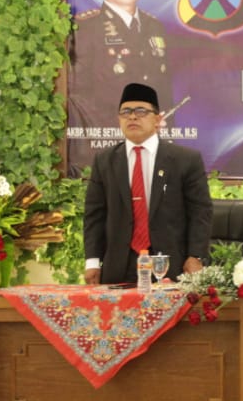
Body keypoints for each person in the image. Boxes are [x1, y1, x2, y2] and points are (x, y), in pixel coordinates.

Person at [83, 83, 212, 285]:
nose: (132, 117)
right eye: (126, 112)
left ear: (158, 119)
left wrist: (196, 256)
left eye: (141, 111)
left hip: (171, 265)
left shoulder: (185, 160)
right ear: (119, 119)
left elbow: (200, 213)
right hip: (119, 266)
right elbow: (94, 215)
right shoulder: (105, 161)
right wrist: (92, 262)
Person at [69, 0, 172, 166]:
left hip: (153, 151)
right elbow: (79, 97)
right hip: (106, 151)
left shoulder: (156, 28)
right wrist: (136, 124)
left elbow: (164, 93)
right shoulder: (85, 29)